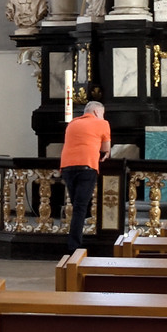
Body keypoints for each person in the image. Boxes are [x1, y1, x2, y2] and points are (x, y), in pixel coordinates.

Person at [59, 96, 110, 254]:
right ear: (96, 112)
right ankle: (74, 246)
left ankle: (74, 241)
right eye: (102, 113)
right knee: (80, 208)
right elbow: (105, 149)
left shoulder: (72, 123)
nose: (103, 116)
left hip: (67, 167)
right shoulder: (102, 123)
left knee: (77, 205)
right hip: (87, 166)